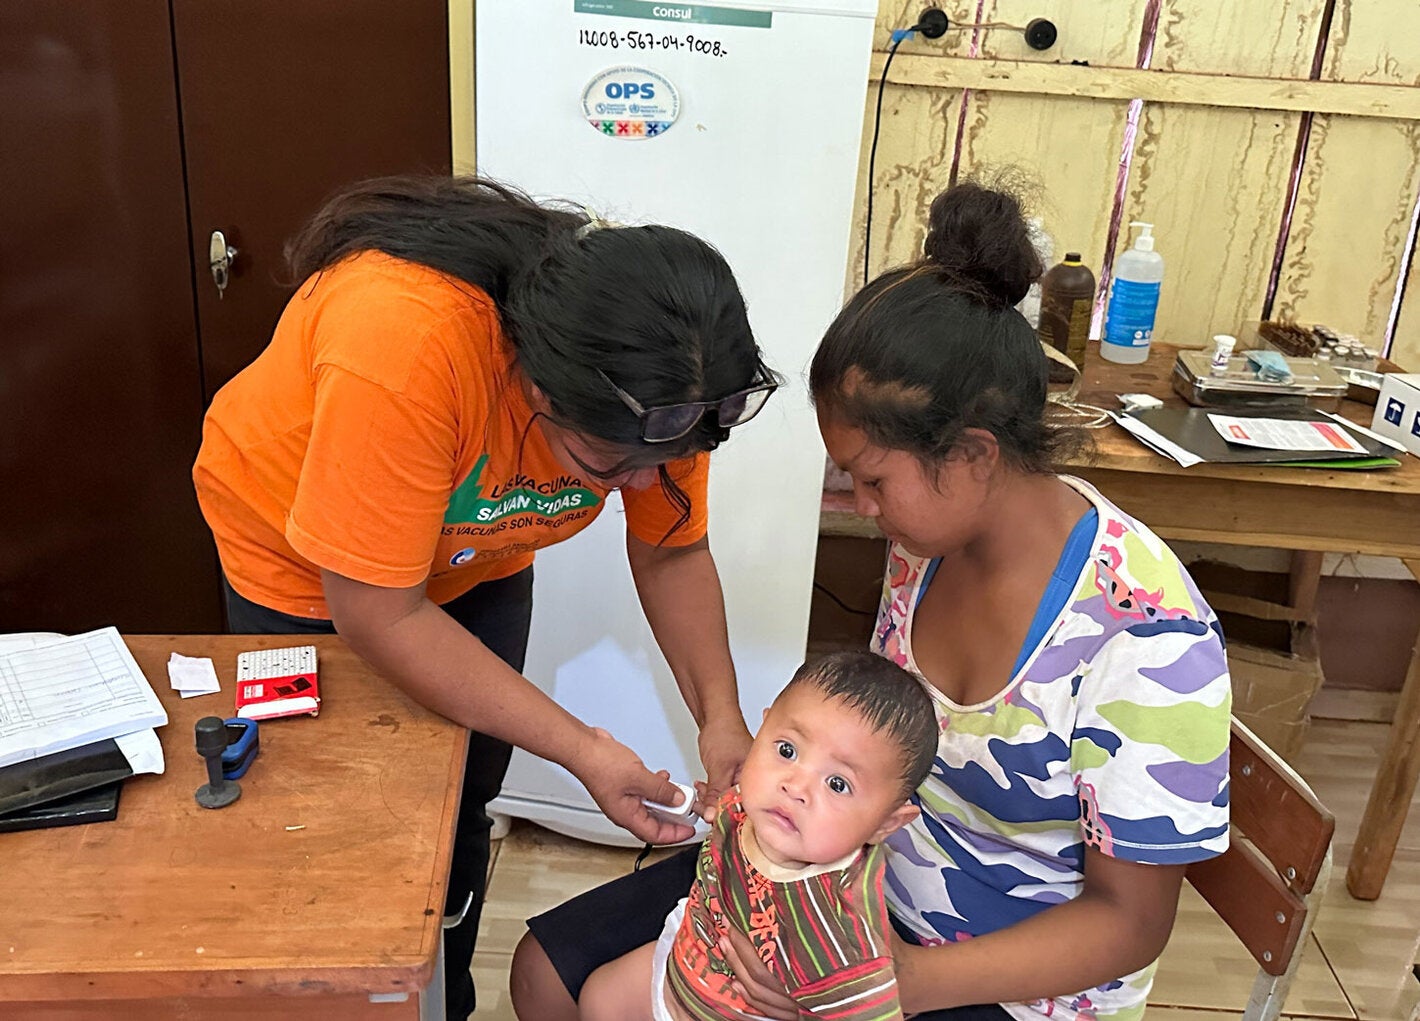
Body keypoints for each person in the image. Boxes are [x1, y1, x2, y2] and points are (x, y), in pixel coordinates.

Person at [510, 180, 1232, 1021]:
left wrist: (903, 981)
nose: (859, 504)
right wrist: (767, 784)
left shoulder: (1145, 635)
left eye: (871, 478)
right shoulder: (923, 548)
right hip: (852, 885)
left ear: (970, 455)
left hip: (1004, 987)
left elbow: (1131, 922)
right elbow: (863, 744)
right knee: (548, 973)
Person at [192, 175, 778, 1019]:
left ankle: (444, 1000)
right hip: (303, 567)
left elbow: (670, 549)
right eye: (609, 467)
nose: (645, 484)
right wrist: (581, 747)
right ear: (536, 386)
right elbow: (378, 608)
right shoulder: (405, 343)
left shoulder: (660, 389)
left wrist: (722, 718)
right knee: (330, 828)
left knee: (462, 794)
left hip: (474, 555)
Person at [579, 651, 937, 1021]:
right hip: (689, 956)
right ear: (761, 731)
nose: (795, 786)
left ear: (885, 825)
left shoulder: (839, 931)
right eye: (787, 750)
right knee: (598, 998)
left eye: (837, 783)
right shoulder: (749, 804)